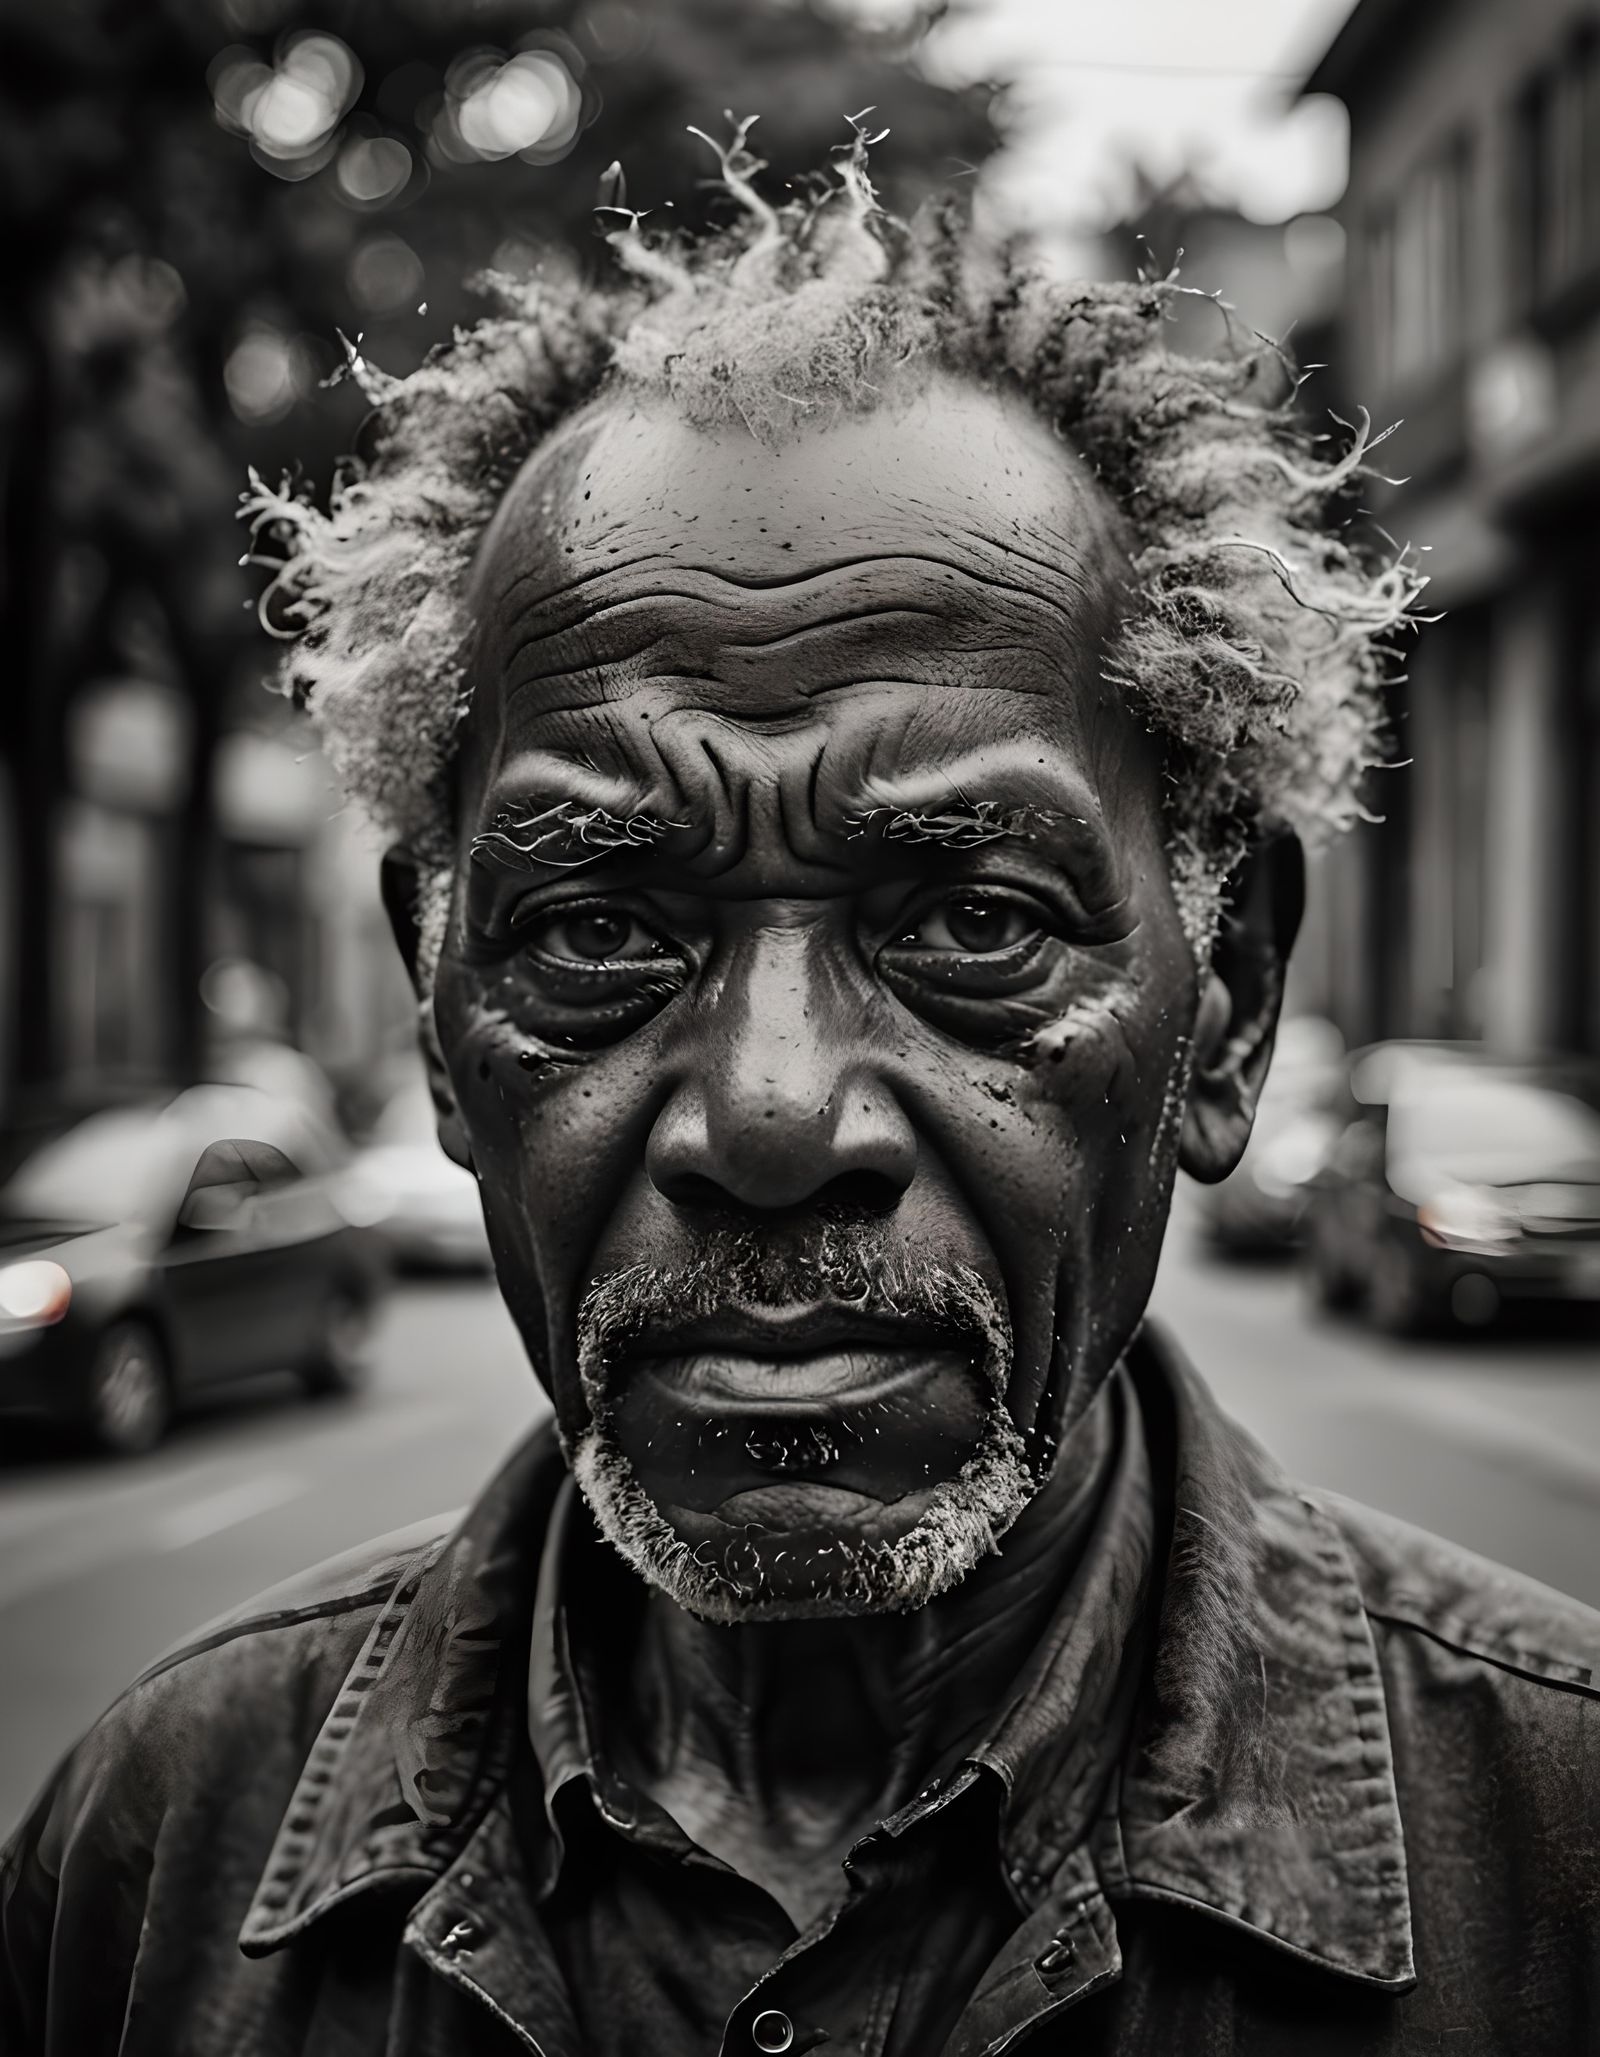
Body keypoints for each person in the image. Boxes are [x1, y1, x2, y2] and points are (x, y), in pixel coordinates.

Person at [4, 126, 1595, 2056]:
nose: (768, 1124)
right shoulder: (152, 1843)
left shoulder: (1559, 1847)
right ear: (437, 1010)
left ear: (1231, 997)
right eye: (598, 930)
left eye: (974, 921)